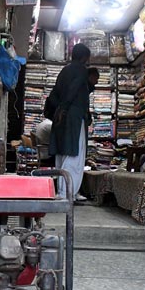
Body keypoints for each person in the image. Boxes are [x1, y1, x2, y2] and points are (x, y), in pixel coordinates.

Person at [46, 44, 92, 201]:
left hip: (61, 115)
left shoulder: (64, 71)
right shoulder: (81, 70)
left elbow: (53, 95)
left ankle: (62, 190)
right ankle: (67, 192)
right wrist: (66, 108)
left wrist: (59, 110)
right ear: (84, 57)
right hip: (73, 116)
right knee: (75, 154)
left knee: (62, 153)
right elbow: (73, 90)